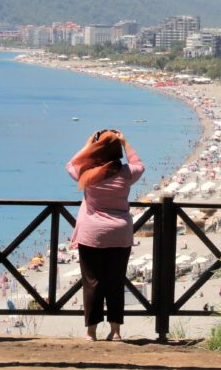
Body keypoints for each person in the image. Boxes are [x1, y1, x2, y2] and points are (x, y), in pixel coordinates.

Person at [66, 129, 144, 341]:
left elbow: (70, 164)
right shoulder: (126, 174)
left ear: (98, 150)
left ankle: (91, 332)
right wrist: (126, 142)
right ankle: (116, 331)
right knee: (115, 282)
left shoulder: (87, 173)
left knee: (92, 282)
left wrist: (88, 143)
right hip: (120, 234)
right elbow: (139, 165)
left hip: (92, 234)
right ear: (116, 150)